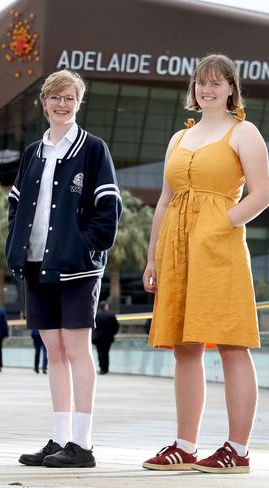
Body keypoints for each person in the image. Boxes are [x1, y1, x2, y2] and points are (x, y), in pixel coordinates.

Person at [141, 54, 269, 474]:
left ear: (231, 88)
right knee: (184, 348)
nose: (207, 89)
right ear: (193, 89)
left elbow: (262, 193)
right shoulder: (179, 139)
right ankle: (185, 445)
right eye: (201, 82)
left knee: (232, 346)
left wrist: (222, 223)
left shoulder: (243, 131)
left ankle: (238, 449)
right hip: (177, 251)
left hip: (220, 250)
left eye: (217, 82)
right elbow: (165, 199)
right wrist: (152, 255)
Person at [6, 70, 121, 469]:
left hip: (76, 269)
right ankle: (59, 438)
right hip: (37, 264)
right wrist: (14, 248)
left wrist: (86, 248)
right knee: (53, 351)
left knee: (76, 350)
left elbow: (109, 210)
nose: (62, 104)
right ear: (44, 101)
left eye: (70, 98)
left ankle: (83, 444)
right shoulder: (33, 153)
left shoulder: (93, 149)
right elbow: (16, 205)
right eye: (55, 97)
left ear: (78, 102)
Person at [92, 301, 119, 375]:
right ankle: (106, 369)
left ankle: (101, 369)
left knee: (100, 353)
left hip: (97, 337)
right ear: (105, 306)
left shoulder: (95, 315)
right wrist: (112, 333)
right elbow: (116, 326)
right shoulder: (111, 315)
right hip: (108, 337)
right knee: (106, 353)